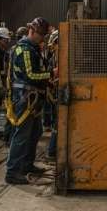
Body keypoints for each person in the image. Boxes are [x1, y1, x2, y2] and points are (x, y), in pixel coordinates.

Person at [5, 17, 57, 184]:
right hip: (25, 99)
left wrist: (48, 80)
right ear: (32, 31)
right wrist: (51, 74)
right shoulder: (24, 50)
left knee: (35, 132)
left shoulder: (33, 49)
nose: (43, 39)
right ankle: (12, 172)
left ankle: (26, 165)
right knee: (21, 135)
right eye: (40, 35)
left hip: (33, 98)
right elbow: (30, 75)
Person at [44, 27, 59, 161]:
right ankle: (52, 151)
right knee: (57, 123)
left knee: (57, 122)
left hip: (55, 93)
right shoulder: (54, 59)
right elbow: (50, 78)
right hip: (56, 94)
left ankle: (54, 150)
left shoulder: (56, 57)